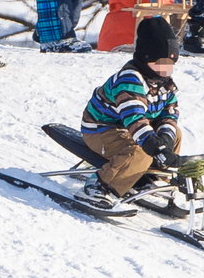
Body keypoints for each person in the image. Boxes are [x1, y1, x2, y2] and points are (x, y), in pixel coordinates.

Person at [76, 17, 186, 209]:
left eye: (172, 63)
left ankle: (150, 176)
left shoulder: (163, 81)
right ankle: (101, 186)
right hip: (102, 130)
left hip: (130, 129)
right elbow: (134, 117)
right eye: (161, 62)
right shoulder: (130, 79)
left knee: (175, 134)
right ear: (146, 58)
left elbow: (169, 111)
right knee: (140, 151)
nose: (167, 69)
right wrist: (154, 146)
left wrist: (165, 141)